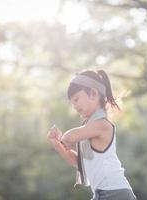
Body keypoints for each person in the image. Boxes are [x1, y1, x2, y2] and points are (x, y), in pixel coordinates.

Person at [47, 69, 136, 200]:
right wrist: (57, 144)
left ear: (93, 93)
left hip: (115, 193)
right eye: (72, 103)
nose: (75, 106)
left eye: (76, 99)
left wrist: (62, 139)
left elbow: (68, 138)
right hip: (103, 193)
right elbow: (78, 162)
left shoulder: (101, 125)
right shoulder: (89, 128)